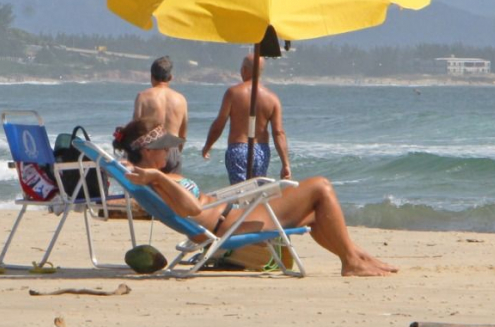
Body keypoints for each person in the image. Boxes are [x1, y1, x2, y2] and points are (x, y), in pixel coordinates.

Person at [115, 118, 396, 277]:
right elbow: (189, 208)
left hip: (232, 220)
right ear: (149, 150)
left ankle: (354, 255)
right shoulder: (153, 178)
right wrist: (160, 177)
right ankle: (351, 259)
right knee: (320, 187)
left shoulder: (147, 176)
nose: (169, 153)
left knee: (313, 210)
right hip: (231, 226)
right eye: (163, 149)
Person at [202, 53, 291, 183]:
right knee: (256, 194)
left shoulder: (233, 93)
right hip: (261, 150)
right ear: (261, 72)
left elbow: (219, 124)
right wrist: (285, 164)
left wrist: (208, 146)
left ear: (244, 70)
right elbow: (278, 133)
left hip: (238, 149)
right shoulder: (272, 98)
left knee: (240, 194)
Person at [132, 56, 188, 173]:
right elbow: (183, 135)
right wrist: (175, 153)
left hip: (151, 151)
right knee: (170, 189)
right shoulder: (181, 99)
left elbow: (135, 130)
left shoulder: (143, 96)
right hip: (172, 148)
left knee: (147, 190)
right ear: (171, 77)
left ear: (151, 76)